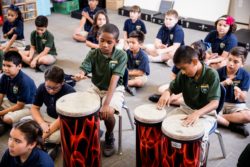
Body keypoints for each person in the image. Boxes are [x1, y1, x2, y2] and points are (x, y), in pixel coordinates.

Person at [157, 45, 220, 163]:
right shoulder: (184, 74)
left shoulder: (211, 75)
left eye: (184, 68)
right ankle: (169, 158)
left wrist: (197, 113)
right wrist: (167, 92)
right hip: (185, 109)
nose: (183, 72)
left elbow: (215, 103)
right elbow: (172, 87)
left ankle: (197, 163)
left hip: (206, 114)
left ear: (195, 61)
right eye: (180, 69)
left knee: (199, 137)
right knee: (165, 127)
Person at [73, 23, 127, 157]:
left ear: (116, 42)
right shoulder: (93, 53)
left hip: (115, 89)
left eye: (109, 42)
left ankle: (109, 135)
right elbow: (84, 67)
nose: (105, 45)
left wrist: (106, 104)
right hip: (96, 88)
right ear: (97, 37)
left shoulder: (121, 56)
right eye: (102, 40)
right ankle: (92, 133)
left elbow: (114, 81)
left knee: (107, 113)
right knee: (83, 110)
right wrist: (81, 74)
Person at [149, 40, 207, 105]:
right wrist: (177, 86)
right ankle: (169, 99)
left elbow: (201, 91)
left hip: (194, 92)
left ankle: (169, 100)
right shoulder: (182, 61)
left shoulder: (203, 70)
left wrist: (179, 94)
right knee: (162, 89)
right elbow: (173, 76)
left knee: (191, 99)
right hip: (182, 87)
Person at [0, 51, 36, 135]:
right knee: (5, 114)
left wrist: (1, 112)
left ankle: (5, 124)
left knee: (7, 118)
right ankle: (6, 123)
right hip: (12, 101)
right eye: (4, 65)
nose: (5, 68)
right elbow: (1, 93)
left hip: (27, 106)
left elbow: (20, 105)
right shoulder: (4, 76)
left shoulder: (24, 81)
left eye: (9, 66)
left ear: (19, 66)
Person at [217, 46, 250, 137]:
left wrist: (240, 93)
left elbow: (244, 98)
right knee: (198, 109)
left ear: (242, 64)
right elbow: (207, 90)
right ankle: (232, 125)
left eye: (236, 62)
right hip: (219, 104)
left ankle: (219, 120)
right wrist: (222, 83)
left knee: (248, 116)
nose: (231, 64)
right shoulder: (218, 72)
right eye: (229, 59)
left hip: (235, 106)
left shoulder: (245, 75)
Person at [124, 30, 150, 96]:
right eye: (129, 42)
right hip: (129, 73)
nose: (130, 44)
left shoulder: (143, 56)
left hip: (139, 76)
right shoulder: (128, 52)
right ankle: (128, 85)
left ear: (140, 44)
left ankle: (123, 84)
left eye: (133, 43)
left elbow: (140, 72)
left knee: (138, 82)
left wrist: (126, 72)